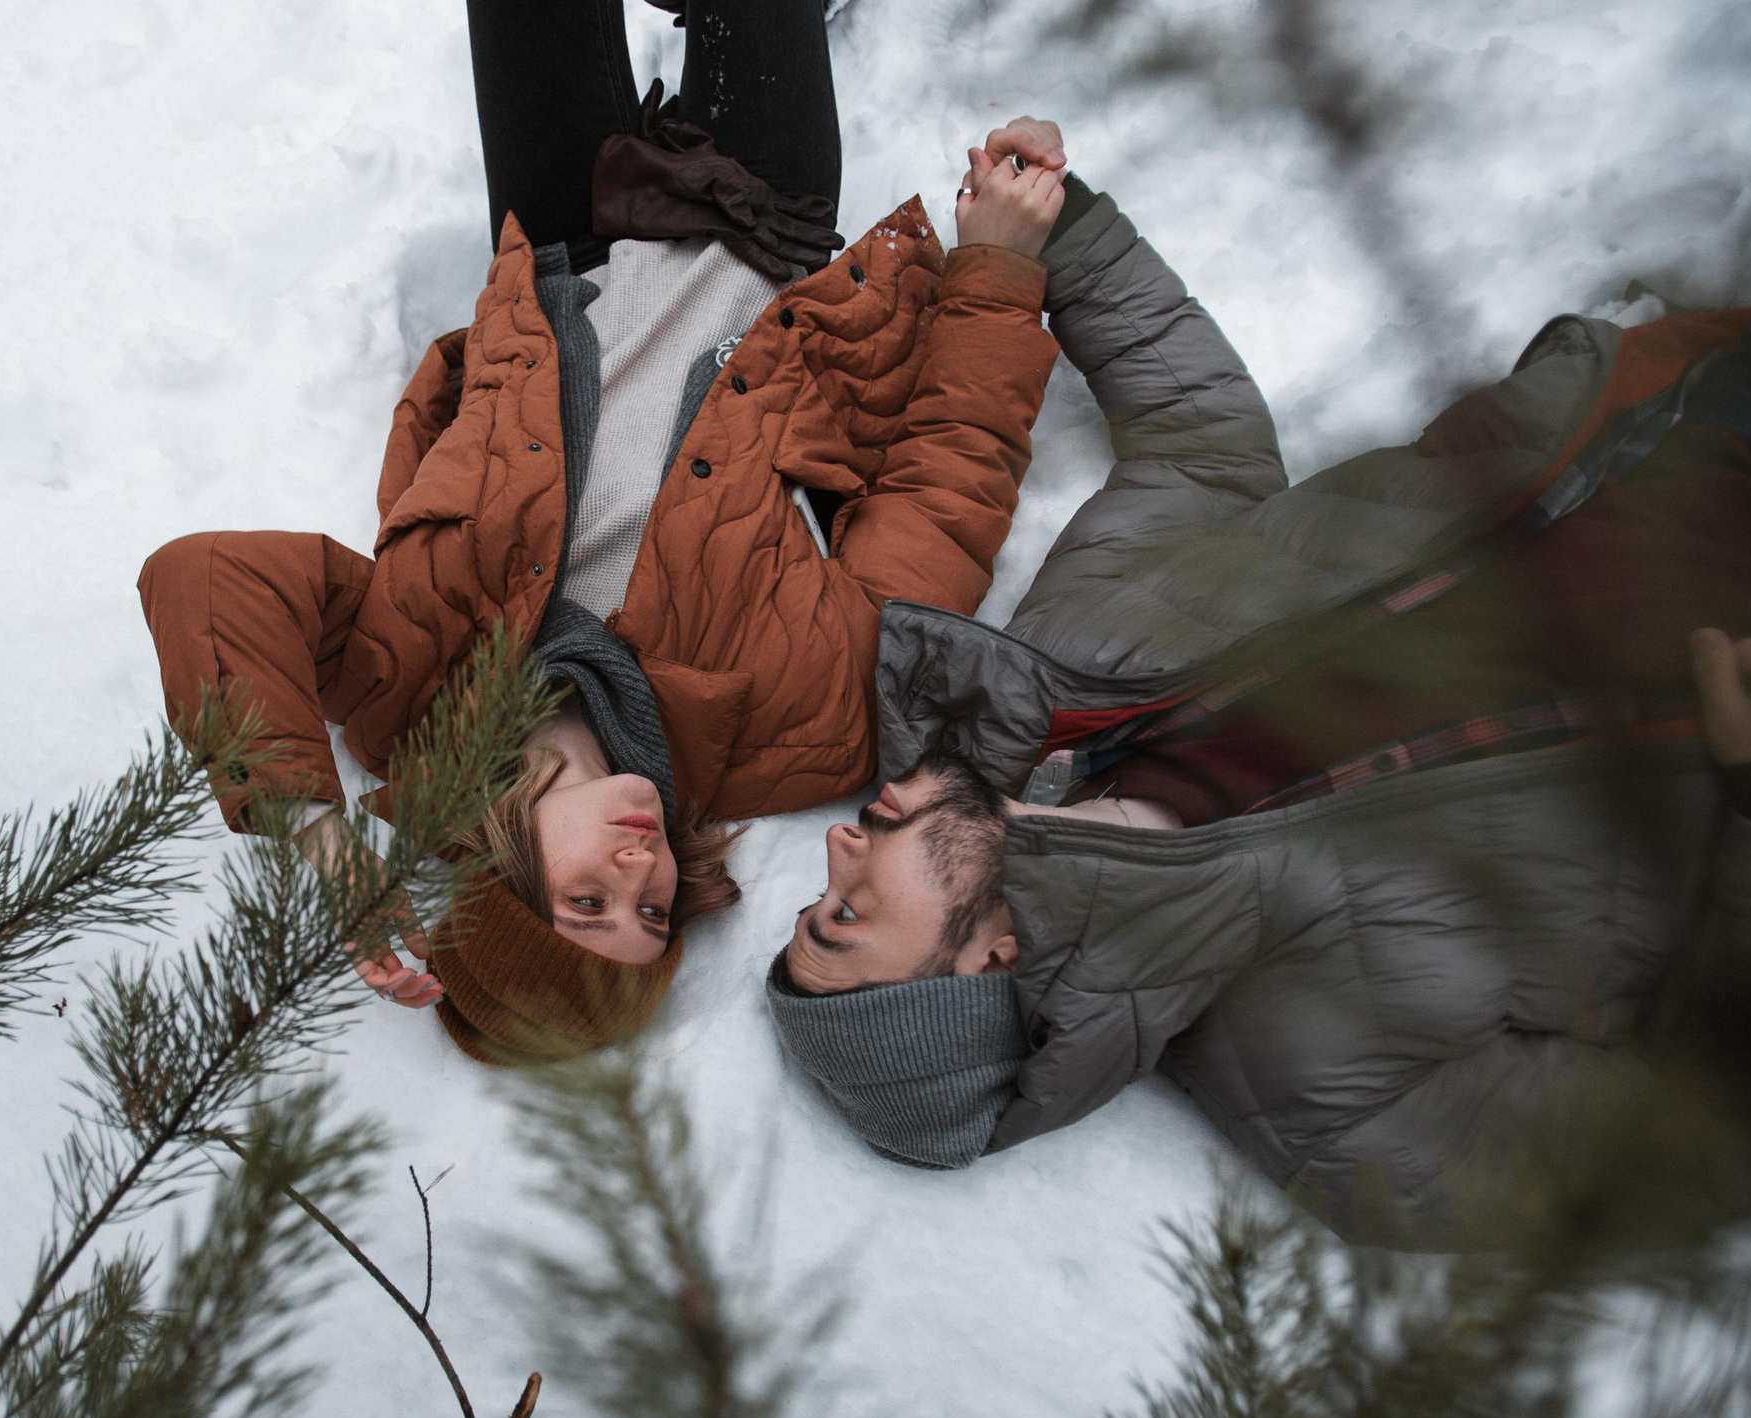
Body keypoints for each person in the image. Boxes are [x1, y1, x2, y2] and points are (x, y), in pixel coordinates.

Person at [769, 130, 1751, 1246]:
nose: (834, 858)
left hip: (1743, 430)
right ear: (986, 968)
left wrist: (1068, 244)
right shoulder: (1333, 1116)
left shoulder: (1074, 675)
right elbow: (1703, 1143)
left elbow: (1200, 451)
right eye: (846, 923)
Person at [139, 0, 1071, 1065]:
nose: (641, 876)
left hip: (558, 232)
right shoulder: (797, 725)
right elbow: (943, 490)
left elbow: (205, 578)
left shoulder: (399, 686)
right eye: (655, 917)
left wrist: (310, 832)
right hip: (763, 232)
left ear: (501, 866)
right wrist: (1000, 267)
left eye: (589, 899)